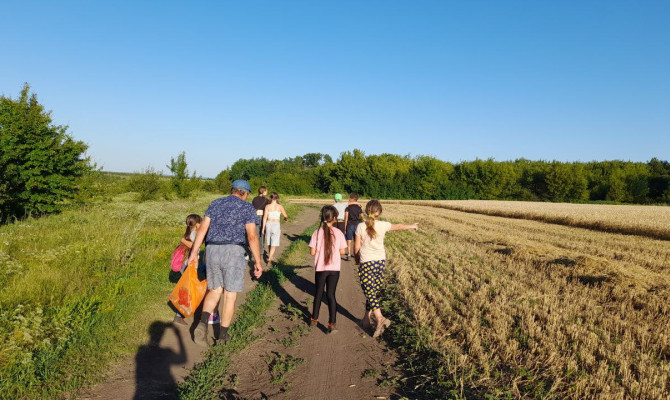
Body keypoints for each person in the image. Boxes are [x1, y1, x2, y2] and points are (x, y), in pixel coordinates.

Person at [189, 179, 263, 346]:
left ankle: (202, 324)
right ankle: (222, 336)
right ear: (244, 193)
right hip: (234, 252)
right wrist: (258, 261)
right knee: (230, 294)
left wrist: (194, 252)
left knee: (214, 290)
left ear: (233, 190)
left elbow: (202, 229)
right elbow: (252, 236)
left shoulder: (215, 203)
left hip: (212, 250)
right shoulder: (247, 207)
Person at [354, 199, 418, 338]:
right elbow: (399, 226)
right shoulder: (383, 225)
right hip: (380, 263)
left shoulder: (360, 227)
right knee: (372, 292)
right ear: (380, 212)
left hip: (367, 263)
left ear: (367, 211)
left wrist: (356, 259)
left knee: (369, 291)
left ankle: (380, 318)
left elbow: (356, 248)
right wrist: (412, 226)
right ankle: (366, 319)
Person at [174, 214, 222, 326]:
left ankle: (181, 314)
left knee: (188, 289)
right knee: (188, 290)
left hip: (185, 264)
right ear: (198, 223)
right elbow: (194, 245)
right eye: (201, 222)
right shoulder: (196, 232)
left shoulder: (189, 231)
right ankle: (179, 315)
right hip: (189, 265)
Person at [308, 205, 347, 333]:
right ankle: (332, 323)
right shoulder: (339, 233)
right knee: (331, 294)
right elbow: (342, 251)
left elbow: (312, 252)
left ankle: (314, 318)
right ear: (334, 218)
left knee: (318, 293)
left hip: (321, 268)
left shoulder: (316, 232)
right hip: (334, 269)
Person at [262, 192, 288, 267]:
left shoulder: (267, 206)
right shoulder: (280, 206)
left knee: (269, 241)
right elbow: (285, 215)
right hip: (276, 224)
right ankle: (270, 258)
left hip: (268, 224)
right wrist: (286, 219)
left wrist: (263, 228)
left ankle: (271, 256)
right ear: (277, 198)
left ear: (270, 198)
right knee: (274, 242)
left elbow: (264, 218)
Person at [343, 193, 364, 261]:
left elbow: (346, 218)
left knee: (349, 240)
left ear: (352, 199)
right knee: (356, 241)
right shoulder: (359, 208)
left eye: (350, 197)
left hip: (349, 225)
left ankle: (348, 254)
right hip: (357, 225)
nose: (349, 198)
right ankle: (356, 255)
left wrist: (345, 227)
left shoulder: (348, 208)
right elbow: (362, 217)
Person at [252, 186, 269, 258]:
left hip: (255, 217)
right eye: (266, 191)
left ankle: (254, 254)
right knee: (262, 235)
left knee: (255, 236)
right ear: (263, 191)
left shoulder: (254, 199)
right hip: (263, 218)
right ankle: (261, 253)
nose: (267, 192)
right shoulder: (266, 200)